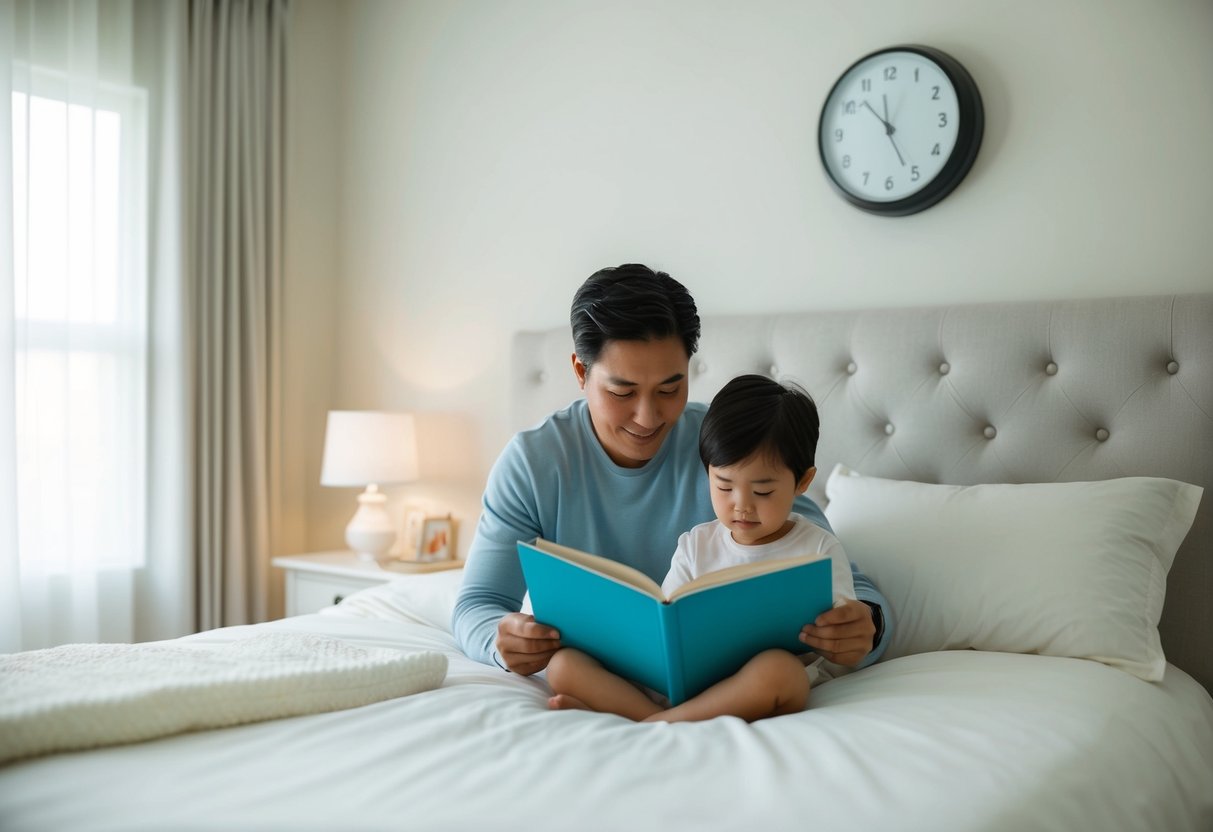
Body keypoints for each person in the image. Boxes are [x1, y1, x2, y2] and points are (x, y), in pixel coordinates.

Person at [451, 263, 890, 678]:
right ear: (581, 371)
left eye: (670, 387)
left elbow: (845, 582)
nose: (647, 416)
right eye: (623, 391)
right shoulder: (533, 463)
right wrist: (502, 642)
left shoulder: (725, 446)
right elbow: (478, 603)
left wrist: (863, 627)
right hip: (603, 674)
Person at [546, 374, 856, 721]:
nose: (741, 505)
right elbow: (665, 628)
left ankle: (648, 723)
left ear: (803, 481)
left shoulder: (819, 549)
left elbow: (846, 644)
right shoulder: (696, 544)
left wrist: (842, 631)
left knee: (781, 671)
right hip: (679, 685)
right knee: (562, 665)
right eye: (724, 486)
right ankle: (664, 719)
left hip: (752, 689)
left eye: (763, 491)